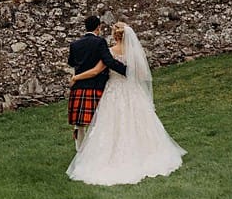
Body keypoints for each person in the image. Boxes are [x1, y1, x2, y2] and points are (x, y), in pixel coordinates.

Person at [66, 22, 186, 186]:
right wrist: (130, 74)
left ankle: (101, 154)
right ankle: (145, 153)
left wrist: (75, 77)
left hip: (114, 90)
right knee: (139, 121)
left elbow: (95, 71)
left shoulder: (110, 52)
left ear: (114, 35)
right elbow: (143, 74)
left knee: (111, 122)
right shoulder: (135, 52)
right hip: (132, 90)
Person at [67, 16, 127, 150]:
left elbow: (71, 62)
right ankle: (95, 149)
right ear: (98, 27)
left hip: (79, 86)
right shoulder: (100, 42)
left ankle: (80, 151)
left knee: (79, 124)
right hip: (95, 86)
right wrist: (127, 71)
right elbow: (109, 61)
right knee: (97, 122)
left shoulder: (74, 44)